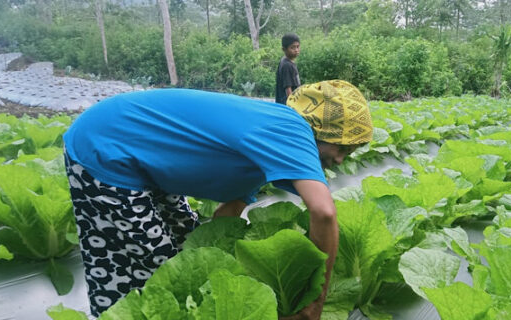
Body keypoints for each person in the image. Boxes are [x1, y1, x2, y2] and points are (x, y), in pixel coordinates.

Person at [62, 79, 373, 318]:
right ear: (321, 132)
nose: (341, 160)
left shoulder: (267, 152)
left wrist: (232, 283)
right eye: (341, 148)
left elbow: (226, 217)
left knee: (188, 247)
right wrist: (316, 303)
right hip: (105, 149)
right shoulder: (293, 129)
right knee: (155, 270)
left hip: (140, 159)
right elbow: (324, 213)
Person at [275, 33, 301, 105]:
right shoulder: (287, 65)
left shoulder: (287, 61)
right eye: (292, 47)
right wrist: (292, 105)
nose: (296, 50)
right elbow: (288, 88)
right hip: (287, 104)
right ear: (284, 49)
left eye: (298, 47)